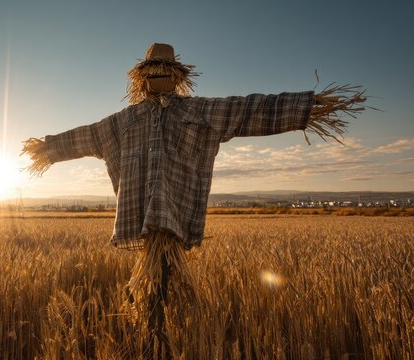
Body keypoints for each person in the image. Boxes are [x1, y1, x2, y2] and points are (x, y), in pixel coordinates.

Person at [22, 43, 366, 359]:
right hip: (143, 219)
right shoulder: (122, 122)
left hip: (177, 217)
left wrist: (304, 106)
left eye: (165, 70)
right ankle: (157, 338)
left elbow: (249, 110)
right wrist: (47, 148)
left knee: (162, 285)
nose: (159, 75)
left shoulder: (201, 112)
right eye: (153, 70)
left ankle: (163, 337)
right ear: (143, 78)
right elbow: (84, 136)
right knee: (154, 286)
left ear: (177, 77)